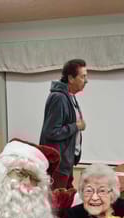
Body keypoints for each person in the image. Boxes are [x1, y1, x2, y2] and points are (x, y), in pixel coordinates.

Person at [40, 59, 88, 190]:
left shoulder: (70, 96)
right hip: (58, 165)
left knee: (66, 200)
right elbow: (51, 132)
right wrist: (76, 126)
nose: (86, 81)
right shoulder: (59, 98)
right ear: (71, 78)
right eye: (83, 76)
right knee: (58, 205)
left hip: (66, 162)